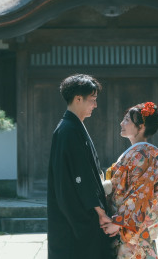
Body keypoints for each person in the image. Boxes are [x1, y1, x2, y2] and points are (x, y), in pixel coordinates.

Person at [47, 73, 114, 259]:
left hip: (75, 211)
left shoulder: (71, 126)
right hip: (77, 216)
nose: (95, 105)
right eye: (92, 99)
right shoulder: (68, 130)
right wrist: (100, 211)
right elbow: (82, 175)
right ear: (78, 99)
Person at [101, 102, 158, 259]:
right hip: (131, 228)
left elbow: (139, 194)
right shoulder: (138, 153)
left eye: (126, 120)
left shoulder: (141, 155)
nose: (121, 123)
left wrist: (117, 223)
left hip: (129, 232)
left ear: (141, 127)